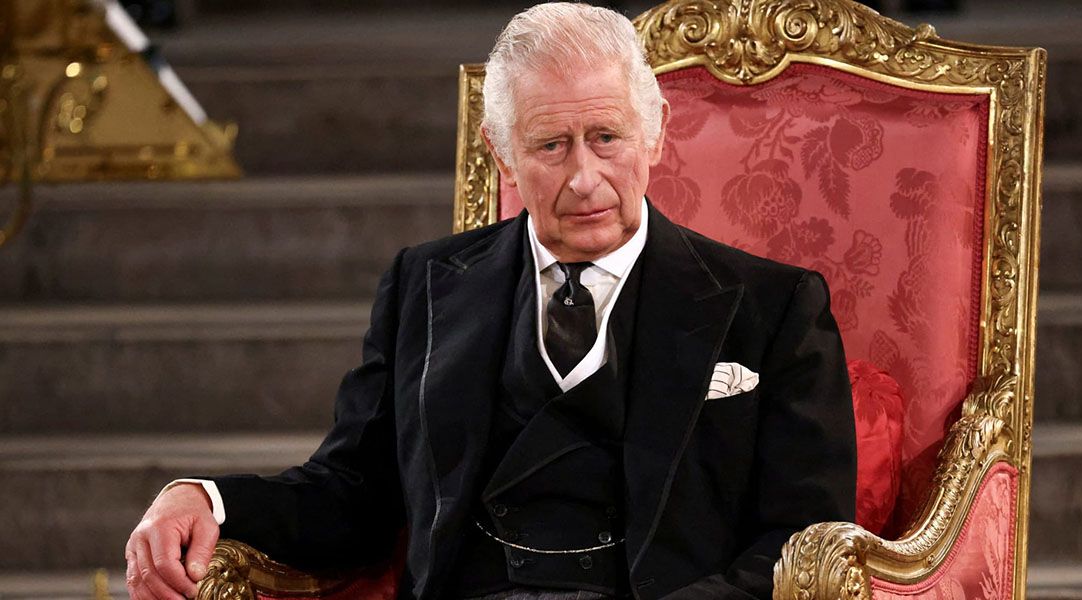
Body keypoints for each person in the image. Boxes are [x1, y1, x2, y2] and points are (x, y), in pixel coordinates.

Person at [124, 4, 856, 599]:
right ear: (501, 152)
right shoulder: (424, 285)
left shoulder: (774, 307)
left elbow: (804, 541)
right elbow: (352, 494)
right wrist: (207, 498)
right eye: (551, 146)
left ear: (655, 130)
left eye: (607, 137)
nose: (585, 178)